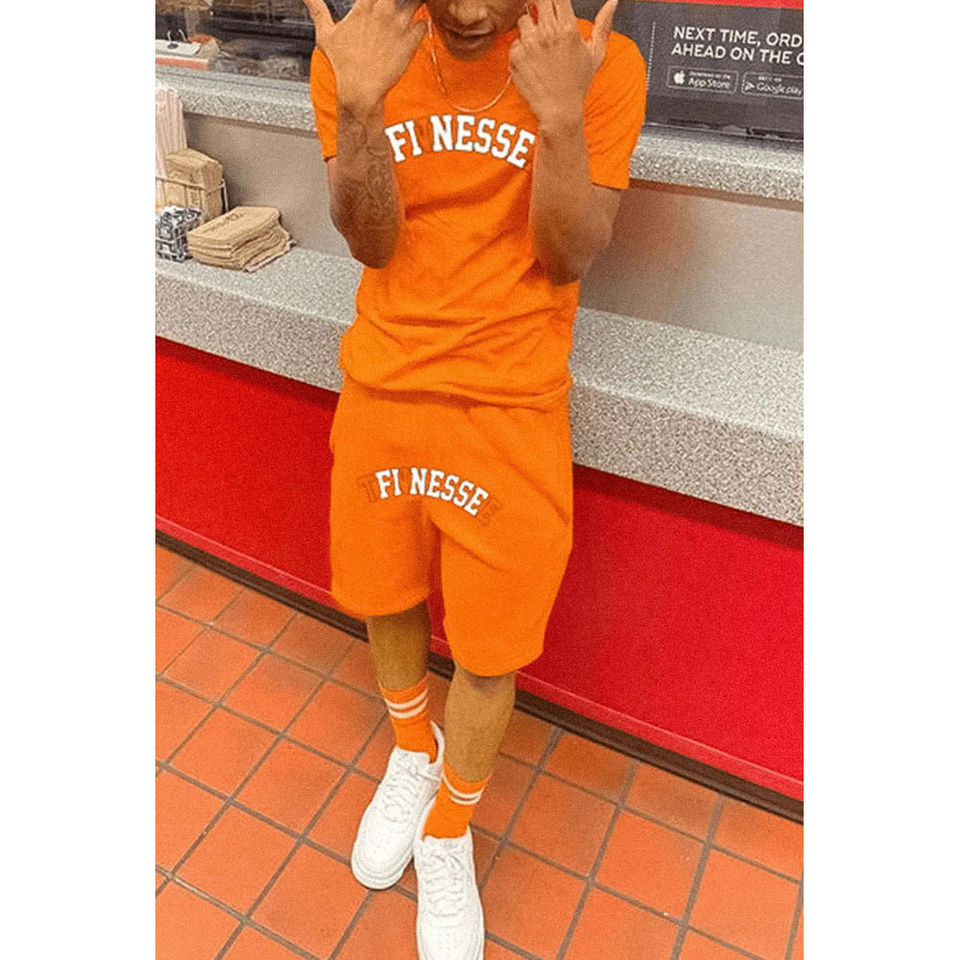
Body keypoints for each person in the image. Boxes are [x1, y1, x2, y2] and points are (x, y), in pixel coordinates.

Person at [305, 0, 645, 956]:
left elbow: (567, 255)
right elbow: (370, 243)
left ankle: (450, 829)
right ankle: (413, 753)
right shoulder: (360, 48)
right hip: (385, 380)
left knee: (491, 646)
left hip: (512, 401)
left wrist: (562, 116)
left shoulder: (598, 63)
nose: (463, 12)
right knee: (384, 592)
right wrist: (361, 106)